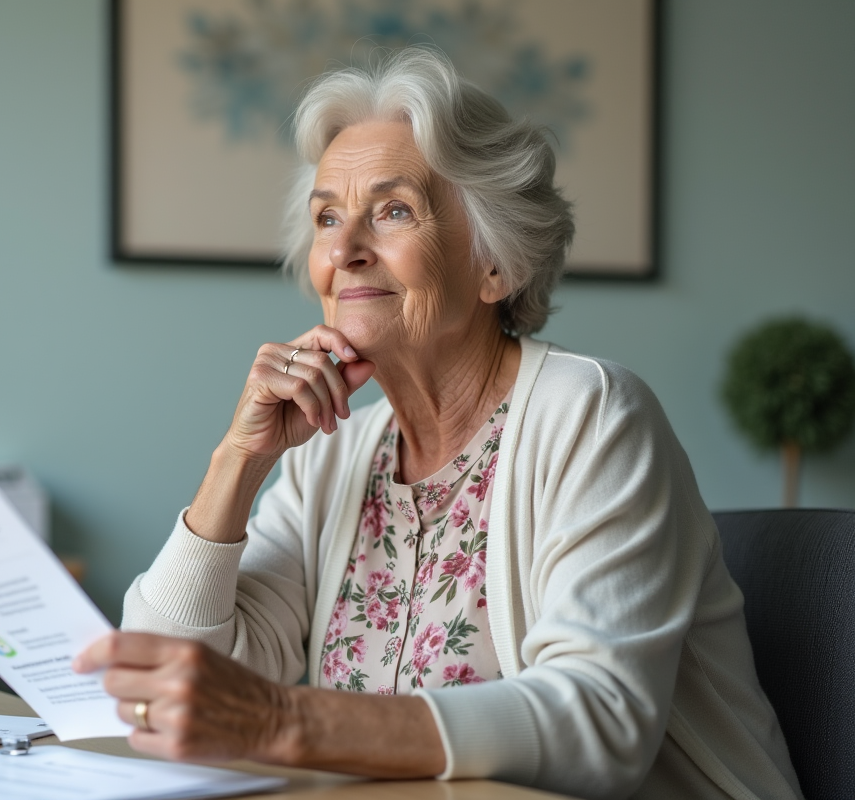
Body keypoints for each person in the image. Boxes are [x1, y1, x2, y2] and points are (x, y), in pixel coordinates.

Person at [72, 48, 802, 799]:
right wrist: (238, 459)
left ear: (496, 265)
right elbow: (160, 696)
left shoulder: (591, 415)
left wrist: (281, 723)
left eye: (392, 211)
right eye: (327, 217)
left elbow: (600, 723)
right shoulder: (333, 455)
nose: (345, 250)